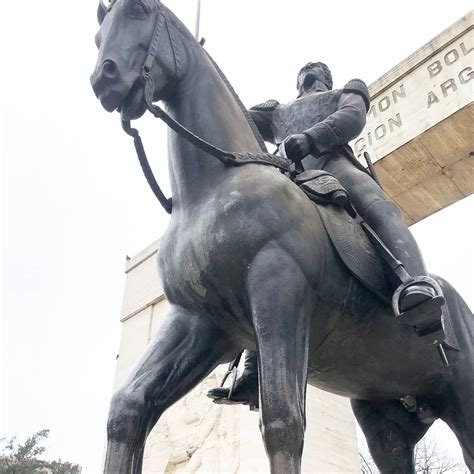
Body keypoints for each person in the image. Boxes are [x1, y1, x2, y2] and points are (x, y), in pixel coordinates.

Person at [207, 62, 444, 407]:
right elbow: (232, 116)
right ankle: (253, 374)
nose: (308, 73)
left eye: (315, 70)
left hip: (332, 164)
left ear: (325, 78)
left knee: (379, 206)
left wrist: (309, 138)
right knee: (260, 253)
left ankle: (415, 286)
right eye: (304, 70)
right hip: (289, 181)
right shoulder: (277, 112)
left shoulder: (347, 89)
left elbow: (352, 119)